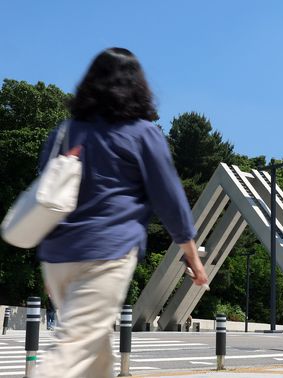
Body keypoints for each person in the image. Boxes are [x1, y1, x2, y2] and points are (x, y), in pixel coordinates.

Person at [33, 47, 208, 378]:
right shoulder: (142, 133)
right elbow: (170, 200)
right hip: (106, 254)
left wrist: (49, 261)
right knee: (72, 353)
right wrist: (193, 257)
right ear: (137, 85)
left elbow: (46, 197)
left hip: (57, 257)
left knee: (96, 358)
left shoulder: (65, 132)